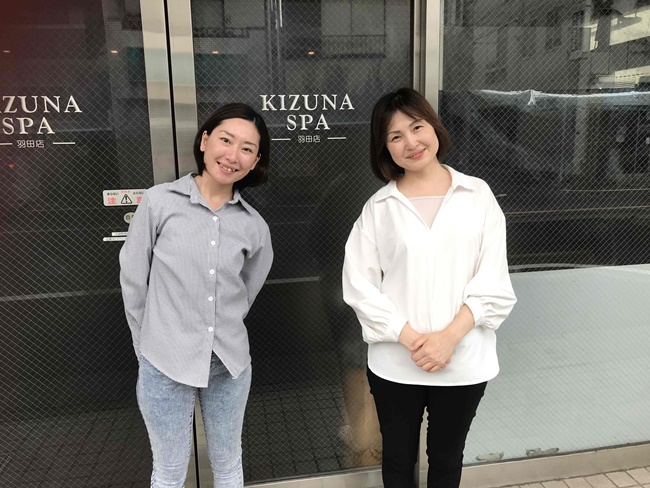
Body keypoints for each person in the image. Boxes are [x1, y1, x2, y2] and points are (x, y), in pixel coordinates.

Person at [342, 88, 516, 488]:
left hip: (463, 360)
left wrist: (448, 339)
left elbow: (493, 279)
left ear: (434, 127)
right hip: (395, 363)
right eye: (395, 136)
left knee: (446, 460)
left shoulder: (477, 195)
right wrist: (411, 338)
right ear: (385, 148)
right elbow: (358, 284)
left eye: (417, 127)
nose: (411, 142)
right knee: (397, 460)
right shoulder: (379, 208)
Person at [119, 103, 273, 488]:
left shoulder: (254, 227)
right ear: (205, 141)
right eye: (226, 140)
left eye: (247, 149)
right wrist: (146, 347)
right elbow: (134, 281)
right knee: (169, 471)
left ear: (255, 162)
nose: (233, 155)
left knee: (228, 465)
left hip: (228, 363)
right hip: (164, 360)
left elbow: (246, 290)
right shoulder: (159, 202)